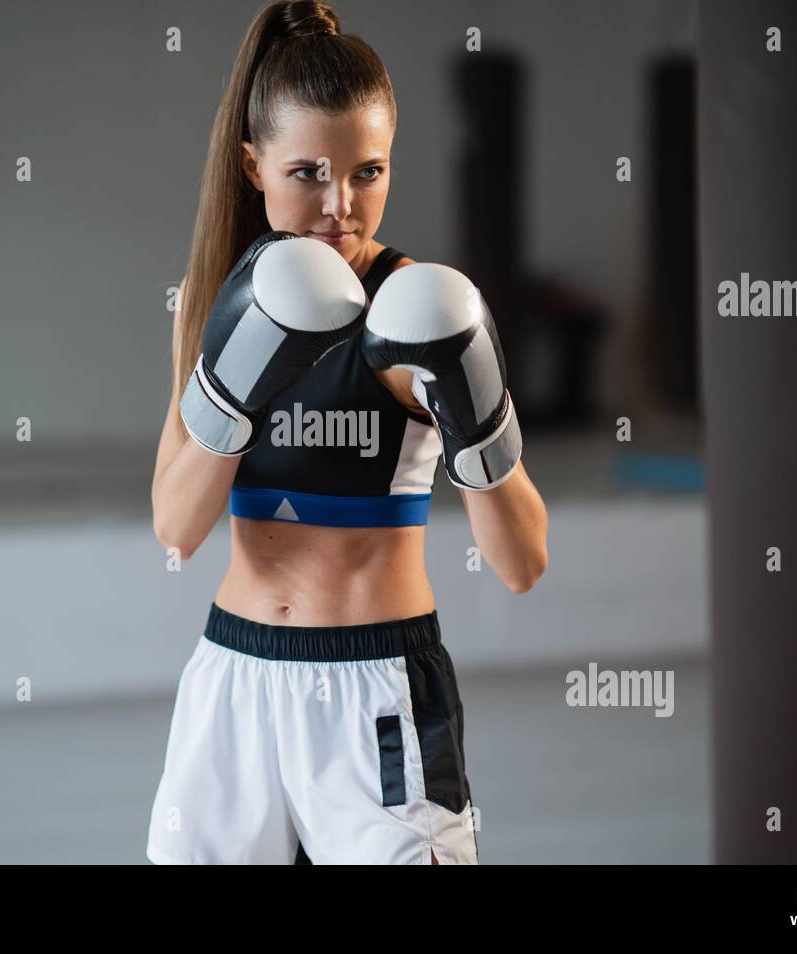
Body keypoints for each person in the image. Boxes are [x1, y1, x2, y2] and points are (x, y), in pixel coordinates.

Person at [147, 0, 548, 865]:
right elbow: (176, 529)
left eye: (369, 172)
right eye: (309, 173)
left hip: (378, 691)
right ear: (254, 165)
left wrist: (479, 418)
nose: (341, 206)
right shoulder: (220, 303)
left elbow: (521, 566)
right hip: (235, 683)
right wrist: (230, 386)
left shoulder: (417, 316)